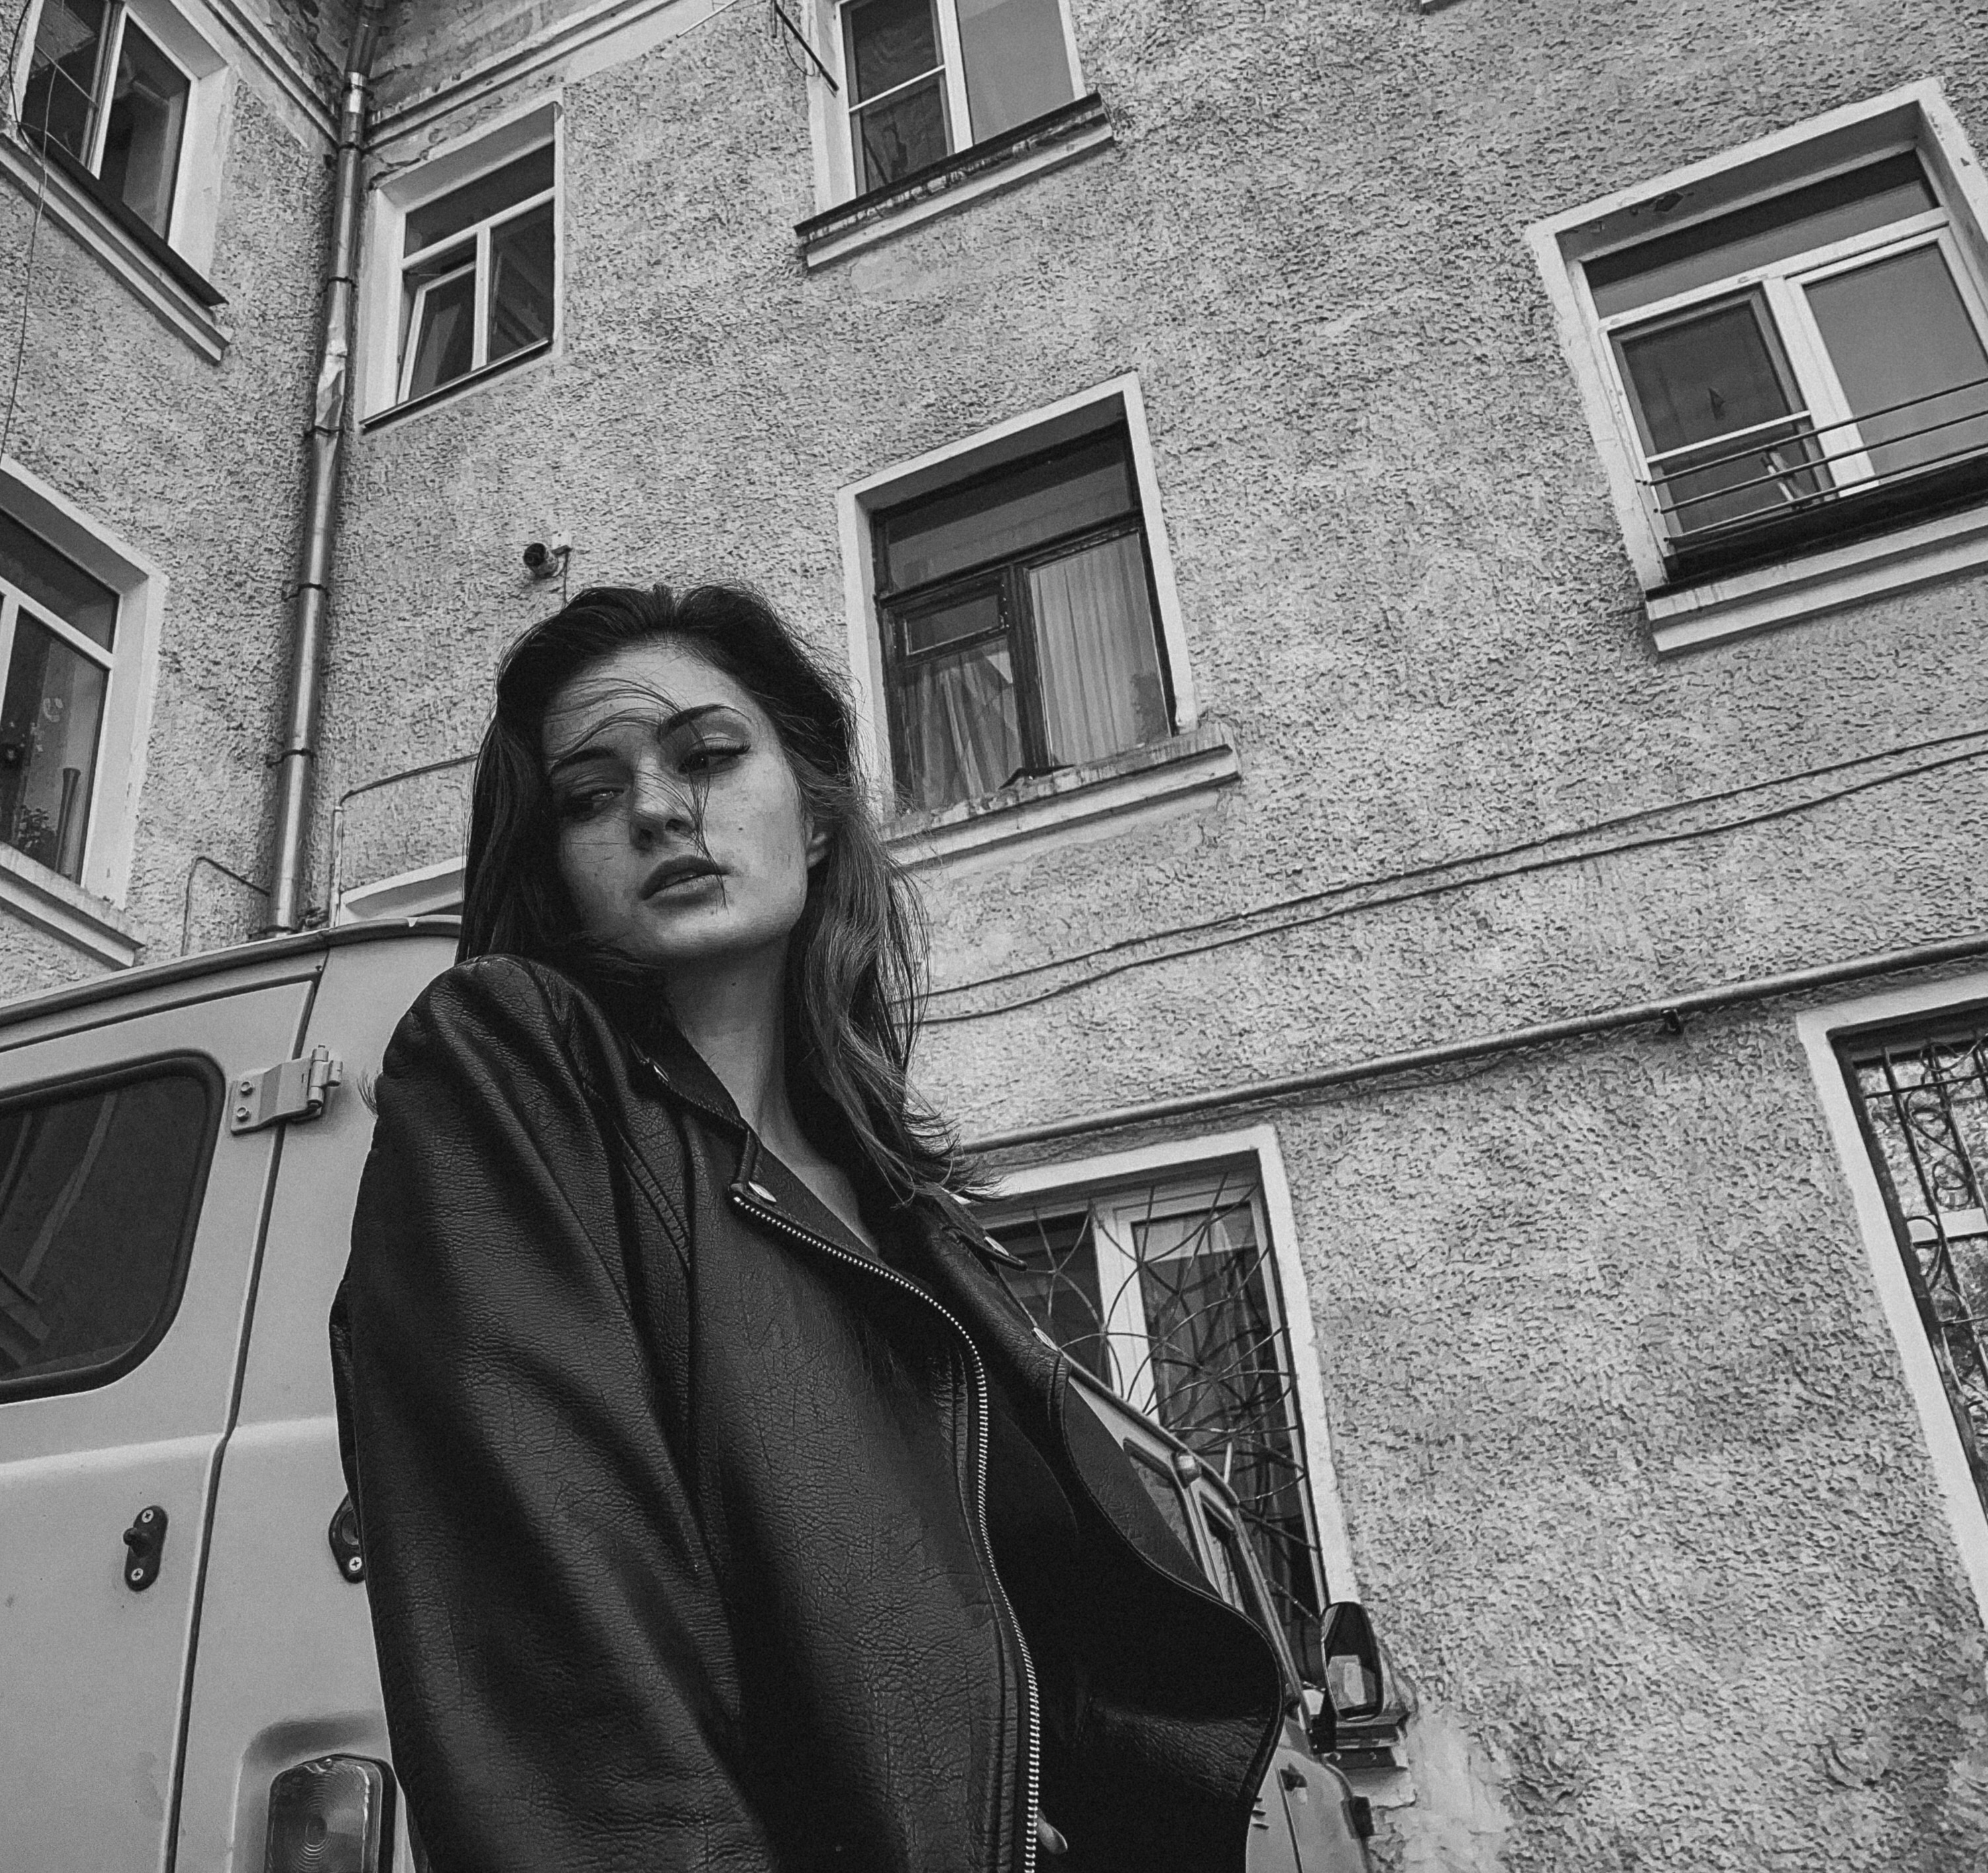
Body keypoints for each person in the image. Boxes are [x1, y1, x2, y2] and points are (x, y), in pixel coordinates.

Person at [330, 584, 1286, 1873]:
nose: (656, 808)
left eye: (708, 756)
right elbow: (575, 1717)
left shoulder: (911, 1217)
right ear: (556, 872)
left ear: (818, 810)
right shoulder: (513, 1072)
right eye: (589, 796)